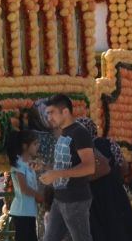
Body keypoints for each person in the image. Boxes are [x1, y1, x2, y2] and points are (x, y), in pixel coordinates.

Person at [76, 117, 132, 241]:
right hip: (113, 191)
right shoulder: (109, 143)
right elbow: (123, 166)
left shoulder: (77, 151)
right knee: (121, 226)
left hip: (92, 197)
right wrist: (116, 177)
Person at [40, 94, 95, 241]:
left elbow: (89, 167)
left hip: (75, 199)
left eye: (51, 113)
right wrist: (46, 168)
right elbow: (67, 165)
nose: (49, 117)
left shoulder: (79, 132)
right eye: (47, 114)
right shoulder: (65, 132)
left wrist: (57, 174)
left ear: (65, 112)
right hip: (60, 198)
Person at [5, 130, 43, 241]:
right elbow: (24, 189)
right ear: (25, 146)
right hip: (22, 211)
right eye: (35, 144)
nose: (38, 146)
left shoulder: (29, 164)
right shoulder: (19, 164)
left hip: (29, 211)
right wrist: (39, 195)